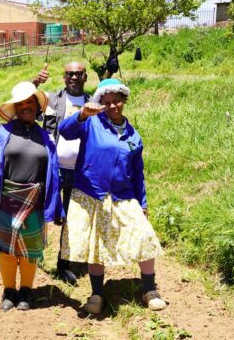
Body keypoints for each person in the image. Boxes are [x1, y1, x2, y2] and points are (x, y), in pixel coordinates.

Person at [58, 78, 167, 314]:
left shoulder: (133, 135)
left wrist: (143, 202)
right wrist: (82, 115)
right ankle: (97, 294)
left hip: (122, 195)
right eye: (106, 102)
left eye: (116, 101)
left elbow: (138, 173)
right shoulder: (91, 122)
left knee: (144, 237)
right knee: (95, 245)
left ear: (124, 101)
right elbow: (64, 131)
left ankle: (149, 290)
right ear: (100, 103)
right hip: (91, 194)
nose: (112, 106)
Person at [0, 82, 64, 312]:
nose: (26, 106)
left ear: (37, 107)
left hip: (35, 200)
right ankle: (9, 291)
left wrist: (57, 206)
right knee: (7, 249)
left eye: (30, 102)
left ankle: (26, 290)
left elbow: (53, 174)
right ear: (15, 108)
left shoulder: (46, 137)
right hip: (6, 198)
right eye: (21, 103)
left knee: (30, 250)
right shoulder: (2, 132)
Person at [32, 61, 90, 284]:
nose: (74, 77)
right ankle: (30, 254)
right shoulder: (51, 99)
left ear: (85, 77)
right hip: (52, 168)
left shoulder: (92, 103)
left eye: (78, 74)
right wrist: (35, 83)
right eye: (69, 74)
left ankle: (63, 264)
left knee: (71, 218)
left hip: (80, 172)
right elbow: (24, 104)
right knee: (40, 211)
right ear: (64, 77)